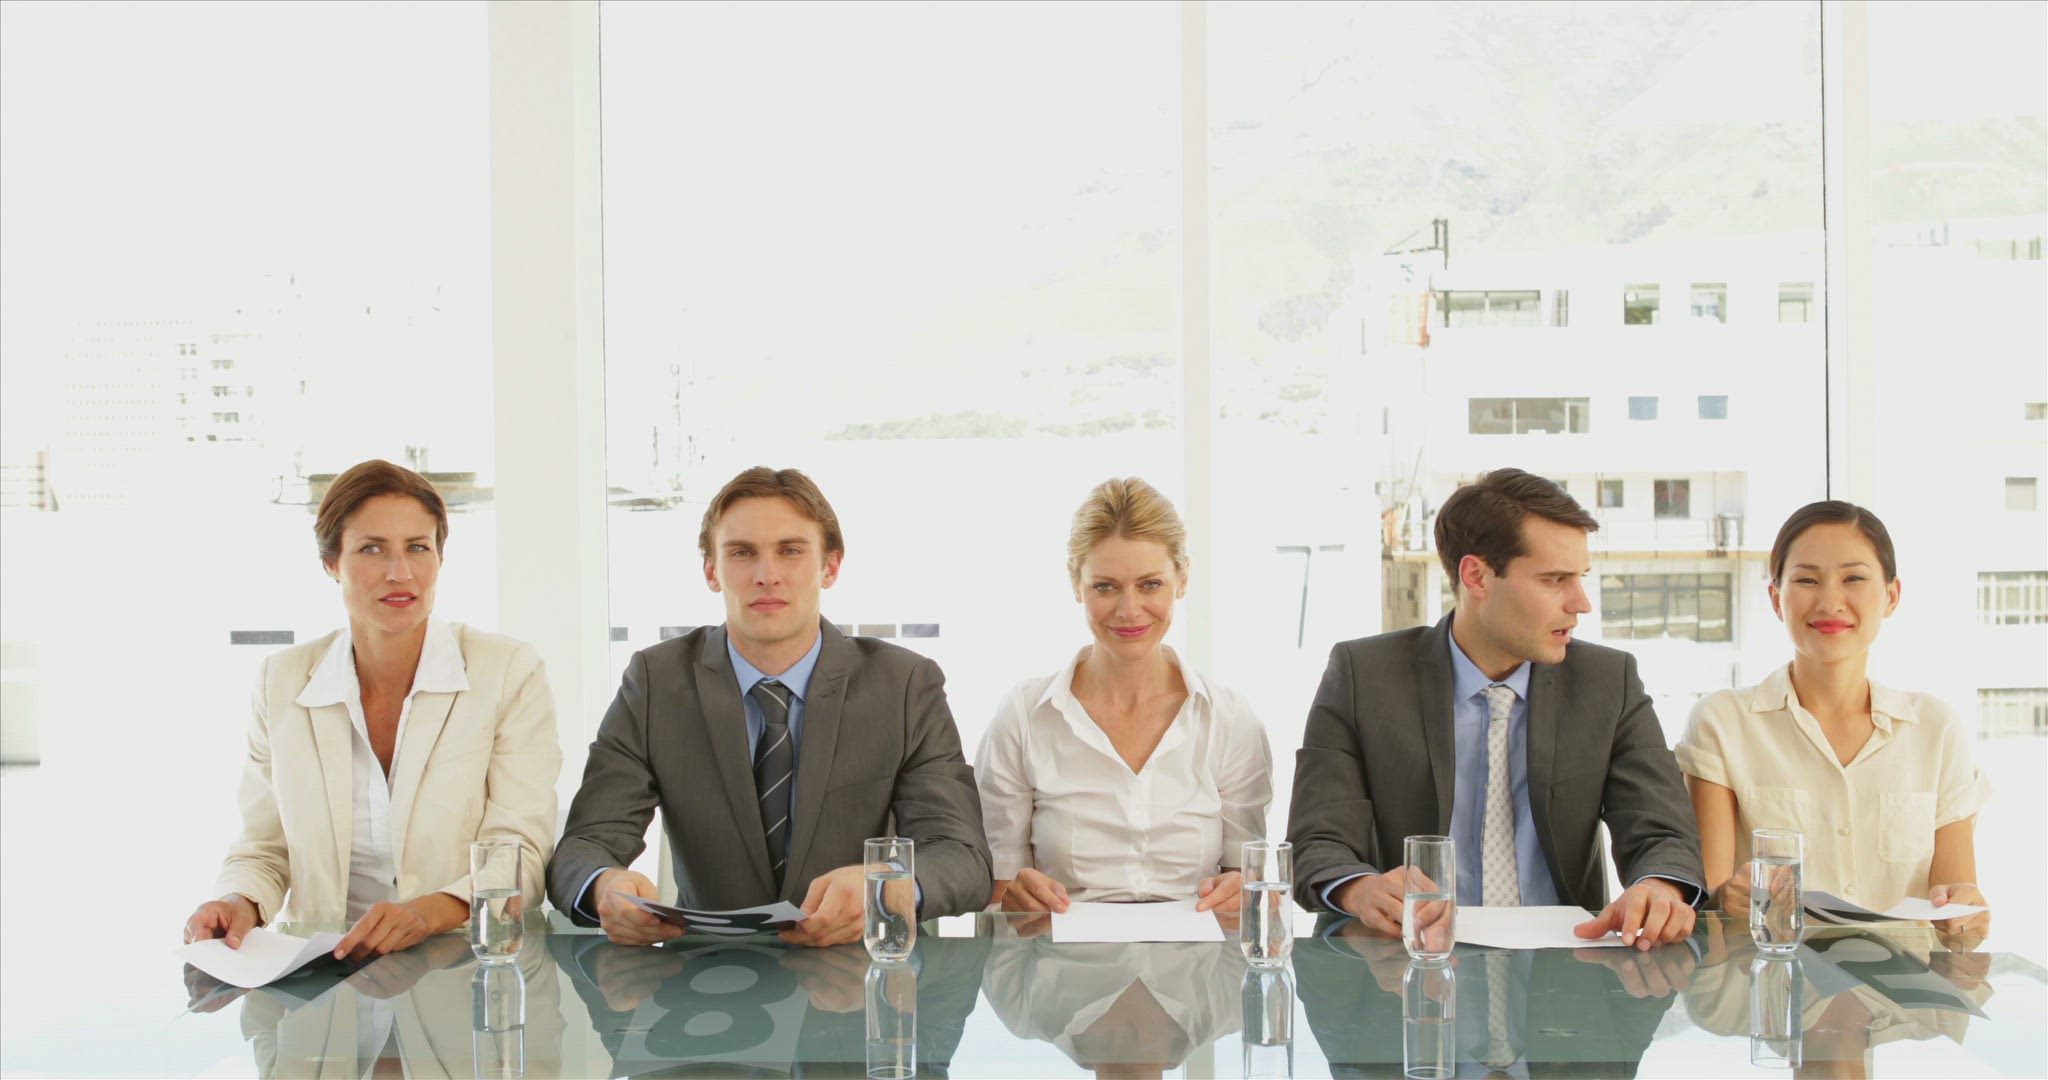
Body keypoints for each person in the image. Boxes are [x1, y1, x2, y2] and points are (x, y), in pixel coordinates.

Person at [546, 466, 992, 947]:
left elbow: (962, 857)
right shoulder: (656, 682)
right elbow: (584, 846)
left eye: (791, 551)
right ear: (712, 571)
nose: (766, 576)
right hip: (708, 974)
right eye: (742, 553)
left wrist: (888, 889)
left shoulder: (904, 685)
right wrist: (604, 887)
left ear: (830, 567)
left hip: (861, 971)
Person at [1287, 467, 1704, 950]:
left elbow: (1663, 833)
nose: (1581, 603)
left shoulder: (1609, 681)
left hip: (1568, 963)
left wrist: (1659, 887)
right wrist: (1361, 889)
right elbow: (1317, 841)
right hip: (1407, 962)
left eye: (1581, 578)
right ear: (1477, 576)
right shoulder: (1364, 675)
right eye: (1555, 579)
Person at [183, 460, 562, 962]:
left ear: (440, 558)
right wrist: (238, 901)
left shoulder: (508, 671)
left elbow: (522, 853)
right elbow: (265, 848)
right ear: (331, 562)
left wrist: (428, 913)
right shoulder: (281, 681)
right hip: (323, 970)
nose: (399, 572)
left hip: (464, 966)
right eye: (371, 548)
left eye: (418, 547)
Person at [1676, 501, 1991, 933]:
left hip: (1905, 977)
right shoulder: (1721, 723)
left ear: (1892, 596)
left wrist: (1966, 916)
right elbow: (1707, 905)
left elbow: (1956, 914)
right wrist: (1727, 896)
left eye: (1853, 579)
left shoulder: (1936, 730)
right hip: (1772, 974)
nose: (1829, 602)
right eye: (1807, 580)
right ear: (1776, 599)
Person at [975, 477, 1272, 916]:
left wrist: (1243, 894)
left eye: (1150, 584)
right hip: (1063, 955)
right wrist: (1014, 903)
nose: (1129, 610)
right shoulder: (1023, 716)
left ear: (1182, 580)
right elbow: (999, 887)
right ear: (1076, 584)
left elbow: (1246, 883)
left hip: (1195, 955)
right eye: (1105, 586)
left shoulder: (1229, 718)